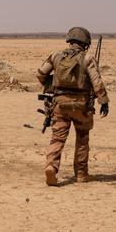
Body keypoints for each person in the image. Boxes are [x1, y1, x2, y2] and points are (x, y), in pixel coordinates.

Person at [36, 27, 110, 186]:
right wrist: (104, 102)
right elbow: (97, 82)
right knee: (82, 139)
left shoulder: (56, 56)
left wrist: (50, 83)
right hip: (82, 106)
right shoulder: (88, 58)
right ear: (86, 43)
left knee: (57, 138)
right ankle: (82, 175)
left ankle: (51, 167)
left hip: (59, 105)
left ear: (70, 41)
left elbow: (40, 74)